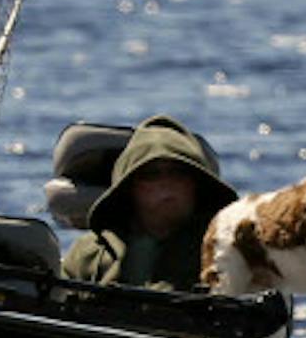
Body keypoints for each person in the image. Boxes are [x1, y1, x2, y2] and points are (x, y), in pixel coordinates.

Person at [59, 114, 237, 289]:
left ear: (196, 184)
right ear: (131, 187)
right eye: (151, 174)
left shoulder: (226, 254)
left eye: (178, 172)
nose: (166, 182)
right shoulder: (91, 254)